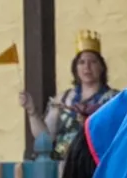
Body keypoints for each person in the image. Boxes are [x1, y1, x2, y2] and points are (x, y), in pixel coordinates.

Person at [19, 30, 117, 160]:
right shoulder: (62, 99)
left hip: (96, 163)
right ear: (75, 68)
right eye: (81, 62)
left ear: (102, 67)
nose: (87, 67)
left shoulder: (114, 99)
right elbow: (45, 138)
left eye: (92, 62)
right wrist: (32, 111)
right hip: (62, 165)